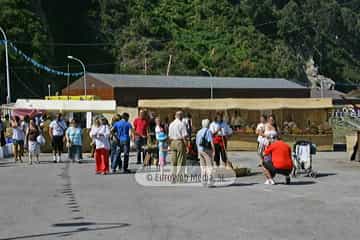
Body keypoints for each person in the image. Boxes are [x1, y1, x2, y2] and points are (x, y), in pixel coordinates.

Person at [168, 111, 188, 182]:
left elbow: (169, 136)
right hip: (179, 142)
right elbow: (184, 136)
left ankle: (173, 177)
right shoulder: (181, 124)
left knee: (173, 161)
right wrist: (186, 146)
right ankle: (179, 178)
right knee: (180, 160)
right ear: (180, 116)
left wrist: (170, 145)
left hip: (172, 142)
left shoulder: (171, 124)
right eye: (182, 115)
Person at [196, 119, 215, 187]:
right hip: (207, 150)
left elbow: (197, 143)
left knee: (203, 166)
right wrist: (213, 150)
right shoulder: (208, 131)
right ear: (208, 124)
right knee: (209, 165)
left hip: (200, 150)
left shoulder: (198, 132)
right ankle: (210, 181)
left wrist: (198, 151)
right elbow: (211, 142)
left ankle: (203, 181)